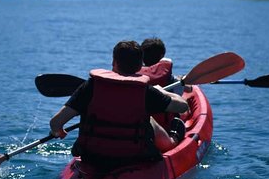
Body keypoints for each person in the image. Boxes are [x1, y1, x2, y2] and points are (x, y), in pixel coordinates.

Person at [49, 40, 188, 170]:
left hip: (92, 156)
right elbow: (182, 106)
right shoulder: (145, 92)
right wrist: (162, 92)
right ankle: (172, 140)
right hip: (133, 157)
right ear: (140, 66)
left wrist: (58, 131)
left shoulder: (90, 87)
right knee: (150, 120)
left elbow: (56, 123)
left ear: (114, 62)